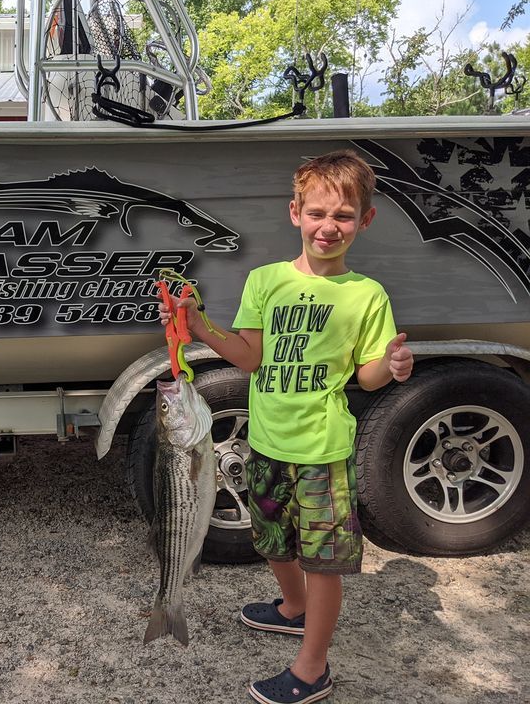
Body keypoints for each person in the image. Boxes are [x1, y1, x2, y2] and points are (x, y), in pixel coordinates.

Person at [159, 149, 414, 704]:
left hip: (323, 449)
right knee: (272, 542)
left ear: (364, 221)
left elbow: (368, 377)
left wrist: (391, 367)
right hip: (267, 443)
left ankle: (312, 667)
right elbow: (248, 357)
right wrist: (199, 327)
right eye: (318, 213)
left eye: (343, 217)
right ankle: (293, 609)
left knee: (324, 562)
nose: (329, 227)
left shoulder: (367, 294)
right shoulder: (265, 280)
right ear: (294, 212)